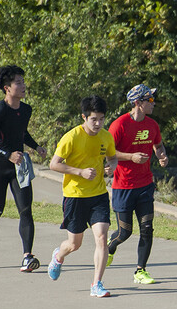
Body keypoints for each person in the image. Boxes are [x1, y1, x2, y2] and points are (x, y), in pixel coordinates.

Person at [47, 95, 144, 297]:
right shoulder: (71, 137)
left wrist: (112, 167)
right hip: (75, 196)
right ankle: (58, 255)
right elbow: (54, 164)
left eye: (101, 118)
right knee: (74, 244)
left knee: (101, 238)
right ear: (84, 117)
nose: (98, 123)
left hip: (98, 195)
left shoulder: (106, 137)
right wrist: (79, 172)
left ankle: (96, 284)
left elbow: (112, 157)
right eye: (94, 119)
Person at [0, 65, 47, 271]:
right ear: (7, 88)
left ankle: (27, 256)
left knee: (26, 211)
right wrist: (7, 154)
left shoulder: (26, 109)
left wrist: (35, 146)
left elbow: (21, 133)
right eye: (18, 82)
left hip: (20, 167)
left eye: (23, 81)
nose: (23, 85)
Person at [104, 84, 169, 285]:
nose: (153, 103)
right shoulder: (119, 125)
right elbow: (108, 152)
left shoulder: (152, 125)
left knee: (147, 228)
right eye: (150, 100)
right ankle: (110, 247)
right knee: (125, 232)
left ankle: (141, 271)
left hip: (145, 185)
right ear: (138, 103)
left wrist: (161, 155)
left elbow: (158, 145)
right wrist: (130, 156)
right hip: (123, 186)